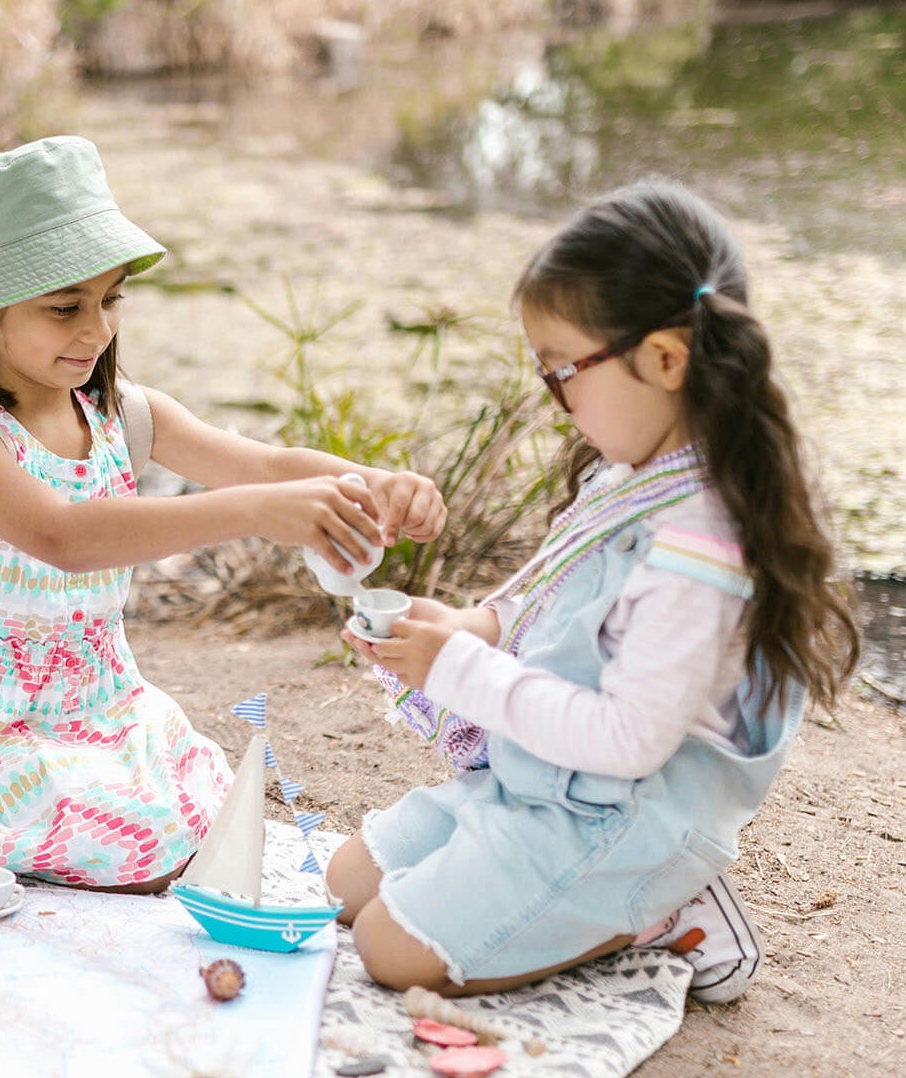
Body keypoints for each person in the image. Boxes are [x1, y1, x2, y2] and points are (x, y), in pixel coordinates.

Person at [0, 136, 446, 892]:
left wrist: (375, 483)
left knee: (203, 809)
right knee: (131, 848)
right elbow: (64, 536)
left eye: (110, 301)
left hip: (99, 698)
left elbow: (263, 464)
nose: (96, 330)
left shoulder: (124, 416)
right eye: (65, 307)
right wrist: (259, 513)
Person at [330, 181, 860, 1002]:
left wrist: (459, 671)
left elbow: (628, 741)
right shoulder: (634, 475)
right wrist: (470, 626)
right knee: (345, 882)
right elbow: (553, 600)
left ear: (666, 359)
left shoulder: (702, 545)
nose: (558, 400)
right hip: (541, 776)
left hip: (621, 816)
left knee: (388, 951)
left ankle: (657, 912)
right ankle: (553, 893)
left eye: (563, 373)